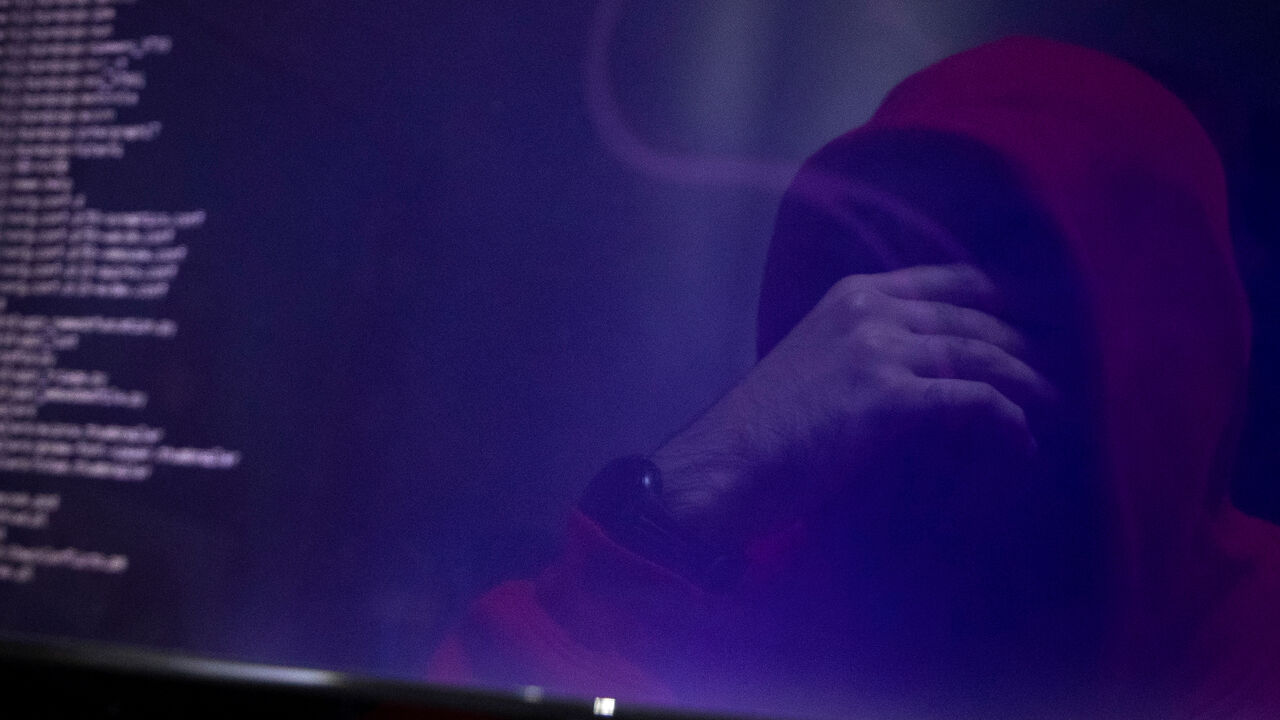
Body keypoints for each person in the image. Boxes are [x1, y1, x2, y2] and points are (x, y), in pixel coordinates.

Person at [428, 37, 1280, 720]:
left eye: (1007, 261)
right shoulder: (759, 595)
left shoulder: (1256, 642)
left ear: (1159, 344)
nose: (894, 344)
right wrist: (688, 491)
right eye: (868, 264)